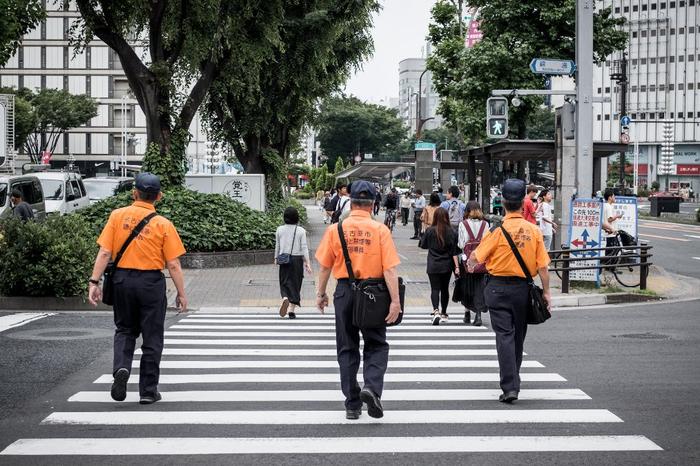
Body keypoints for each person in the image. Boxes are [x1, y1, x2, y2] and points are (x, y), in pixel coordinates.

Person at [87, 173, 187, 404]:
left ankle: (121, 368)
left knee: (124, 329)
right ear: (159, 196)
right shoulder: (163, 224)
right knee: (152, 337)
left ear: (134, 193)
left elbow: (104, 252)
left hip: (122, 281)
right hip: (151, 283)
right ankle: (148, 391)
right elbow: (173, 263)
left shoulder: (117, 216)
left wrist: (94, 282)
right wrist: (181, 293)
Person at [315, 180, 401, 420]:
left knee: (347, 347)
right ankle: (371, 388)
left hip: (344, 292)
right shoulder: (381, 230)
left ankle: (352, 404)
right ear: (373, 205)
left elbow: (324, 267)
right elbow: (390, 270)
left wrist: (321, 294)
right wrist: (395, 301)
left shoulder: (335, 230)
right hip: (374, 293)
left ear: (350, 202)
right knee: (376, 343)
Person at [467, 178, 551, 404]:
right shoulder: (533, 231)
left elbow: (475, 258)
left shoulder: (496, 231)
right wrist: (547, 293)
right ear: (524, 202)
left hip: (496, 288)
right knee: (518, 336)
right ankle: (514, 381)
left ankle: (510, 386)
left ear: (503, 202)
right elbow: (543, 266)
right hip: (522, 289)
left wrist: (469, 264)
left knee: (504, 335)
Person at [420, 207, 460, 325]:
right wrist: (457, 267)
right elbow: (455, 251)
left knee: (434, 288)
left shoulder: (430, 230)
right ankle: (444, 312)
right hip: (447, 265)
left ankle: (435, 310)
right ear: (447, 217)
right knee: (444, 289)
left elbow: (423, 245)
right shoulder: (452, 231)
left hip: (433, 264)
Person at [275, 207, 312, 319]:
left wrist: (275, 257)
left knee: (284, 281)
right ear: (296, 217)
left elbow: (278, 245)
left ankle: (285, 297)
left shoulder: (279, 229)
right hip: (296, 259)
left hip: (283, 258)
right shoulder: (301, 230)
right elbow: (304, 247)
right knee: (296, 283)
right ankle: (291, 309)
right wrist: (307, 263)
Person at [457, 201, 489, 326]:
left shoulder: (463, 224)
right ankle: (478, 315)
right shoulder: (485, 224)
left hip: (467, 262)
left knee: (467, 287)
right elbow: (487, 243)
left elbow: (461, 244)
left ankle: (467, 313)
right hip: (481, 261)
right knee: (480, 287)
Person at [602, 188, 623, 253]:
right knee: (611, 251)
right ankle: (608, 262)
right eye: (613, 196)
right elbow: (609, 219)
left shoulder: (605, 205)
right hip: (611, 232)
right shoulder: (608, 207)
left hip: (609, 231)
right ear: (610, 197)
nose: (615, 198)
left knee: (609, 250)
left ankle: (608, 262)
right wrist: (617, 216)